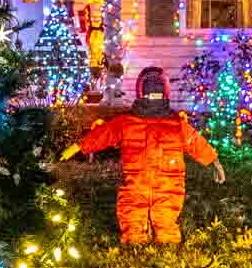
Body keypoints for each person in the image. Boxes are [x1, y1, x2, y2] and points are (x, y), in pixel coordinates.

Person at [61, 66, 223, 244]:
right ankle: (135, 241)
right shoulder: (126, 123)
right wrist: (80, 146)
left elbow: (195, 142)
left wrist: (213, 160)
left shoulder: (176, 124)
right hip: (135, 181)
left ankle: (166, 241)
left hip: (168, 182)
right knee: (132, 215)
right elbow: (104, 134)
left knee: (166, 216)